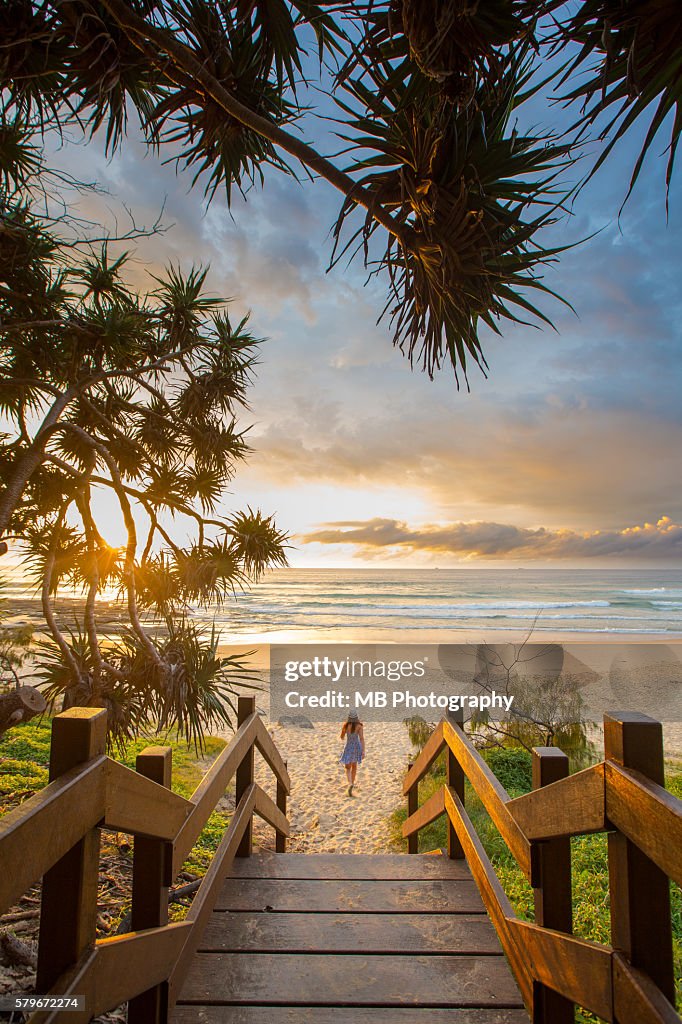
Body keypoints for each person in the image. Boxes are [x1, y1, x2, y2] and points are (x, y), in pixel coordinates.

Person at [339, 710, 364, 796]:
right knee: (354, 767)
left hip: (348, 747)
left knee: (347, 767)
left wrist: (344, 733)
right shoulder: (359, 726)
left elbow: (342, 737)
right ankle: (352, 783)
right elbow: (361, 739)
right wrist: (363, 751)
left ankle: (350, 783)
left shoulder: (346, 725)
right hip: (356, 747)